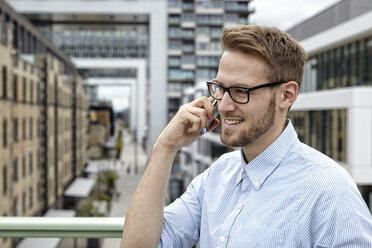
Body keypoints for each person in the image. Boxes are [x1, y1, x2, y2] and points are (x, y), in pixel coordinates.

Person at [121, 25, 372, 247]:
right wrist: (165, 147)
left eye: (241, 91)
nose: (223, 105)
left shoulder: (330, 191)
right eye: (220, 88)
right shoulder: (215, 177)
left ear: (287, 95)